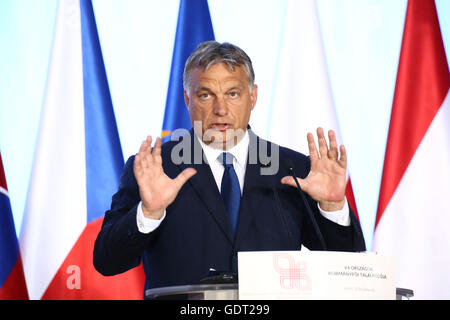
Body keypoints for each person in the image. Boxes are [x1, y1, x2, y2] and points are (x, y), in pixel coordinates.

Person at [93, 41, 365, 293]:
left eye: (233, 93)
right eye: (206, 95)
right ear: (188, 99)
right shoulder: (154, 168)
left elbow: (346, 269)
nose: (221, 109)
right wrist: (149, 213)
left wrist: (332, 208)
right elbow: (107, 261)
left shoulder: (294, 169)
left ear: (253, 96)